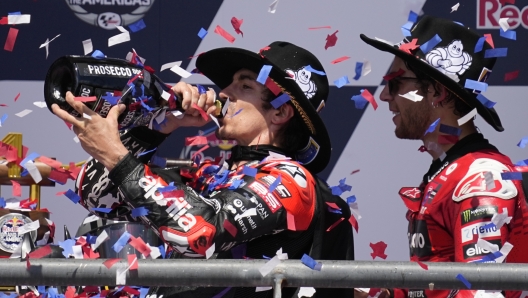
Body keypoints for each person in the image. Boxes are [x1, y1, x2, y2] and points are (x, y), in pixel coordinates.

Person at [52, 41, 354, 297]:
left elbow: (198, 234)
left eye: (244, 85)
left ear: (280, 111)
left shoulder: (293, 181)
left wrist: (117, 155)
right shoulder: (213, 176)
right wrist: (160, 125)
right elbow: (98, 198)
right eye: (230, 83)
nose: (223, 93)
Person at [356, 15, 528, 298]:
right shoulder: (451, 171)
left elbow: (483, 293)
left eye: (396, 83)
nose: (385, 96)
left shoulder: (481, 179)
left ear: (437, 91)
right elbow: (435, 285)